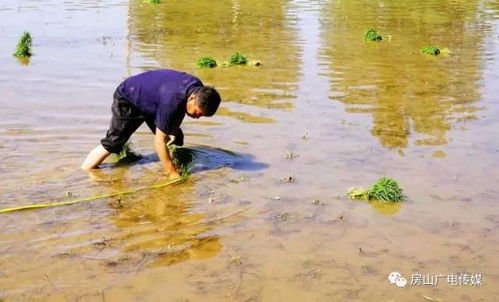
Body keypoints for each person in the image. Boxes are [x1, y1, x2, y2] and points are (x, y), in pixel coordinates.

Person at [81, 69, 221, 179]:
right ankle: (85, 171)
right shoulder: (171, 102)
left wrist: (172, 130)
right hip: (129, 96)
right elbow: (158, 141)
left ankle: (166, 164)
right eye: (197, 113)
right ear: (192, 98)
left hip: (154, 100)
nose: (197, 117)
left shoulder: (198, 89)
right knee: (114, 143)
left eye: (201, 115)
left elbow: (175, 110)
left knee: (176, 137)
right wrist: (172, 173)